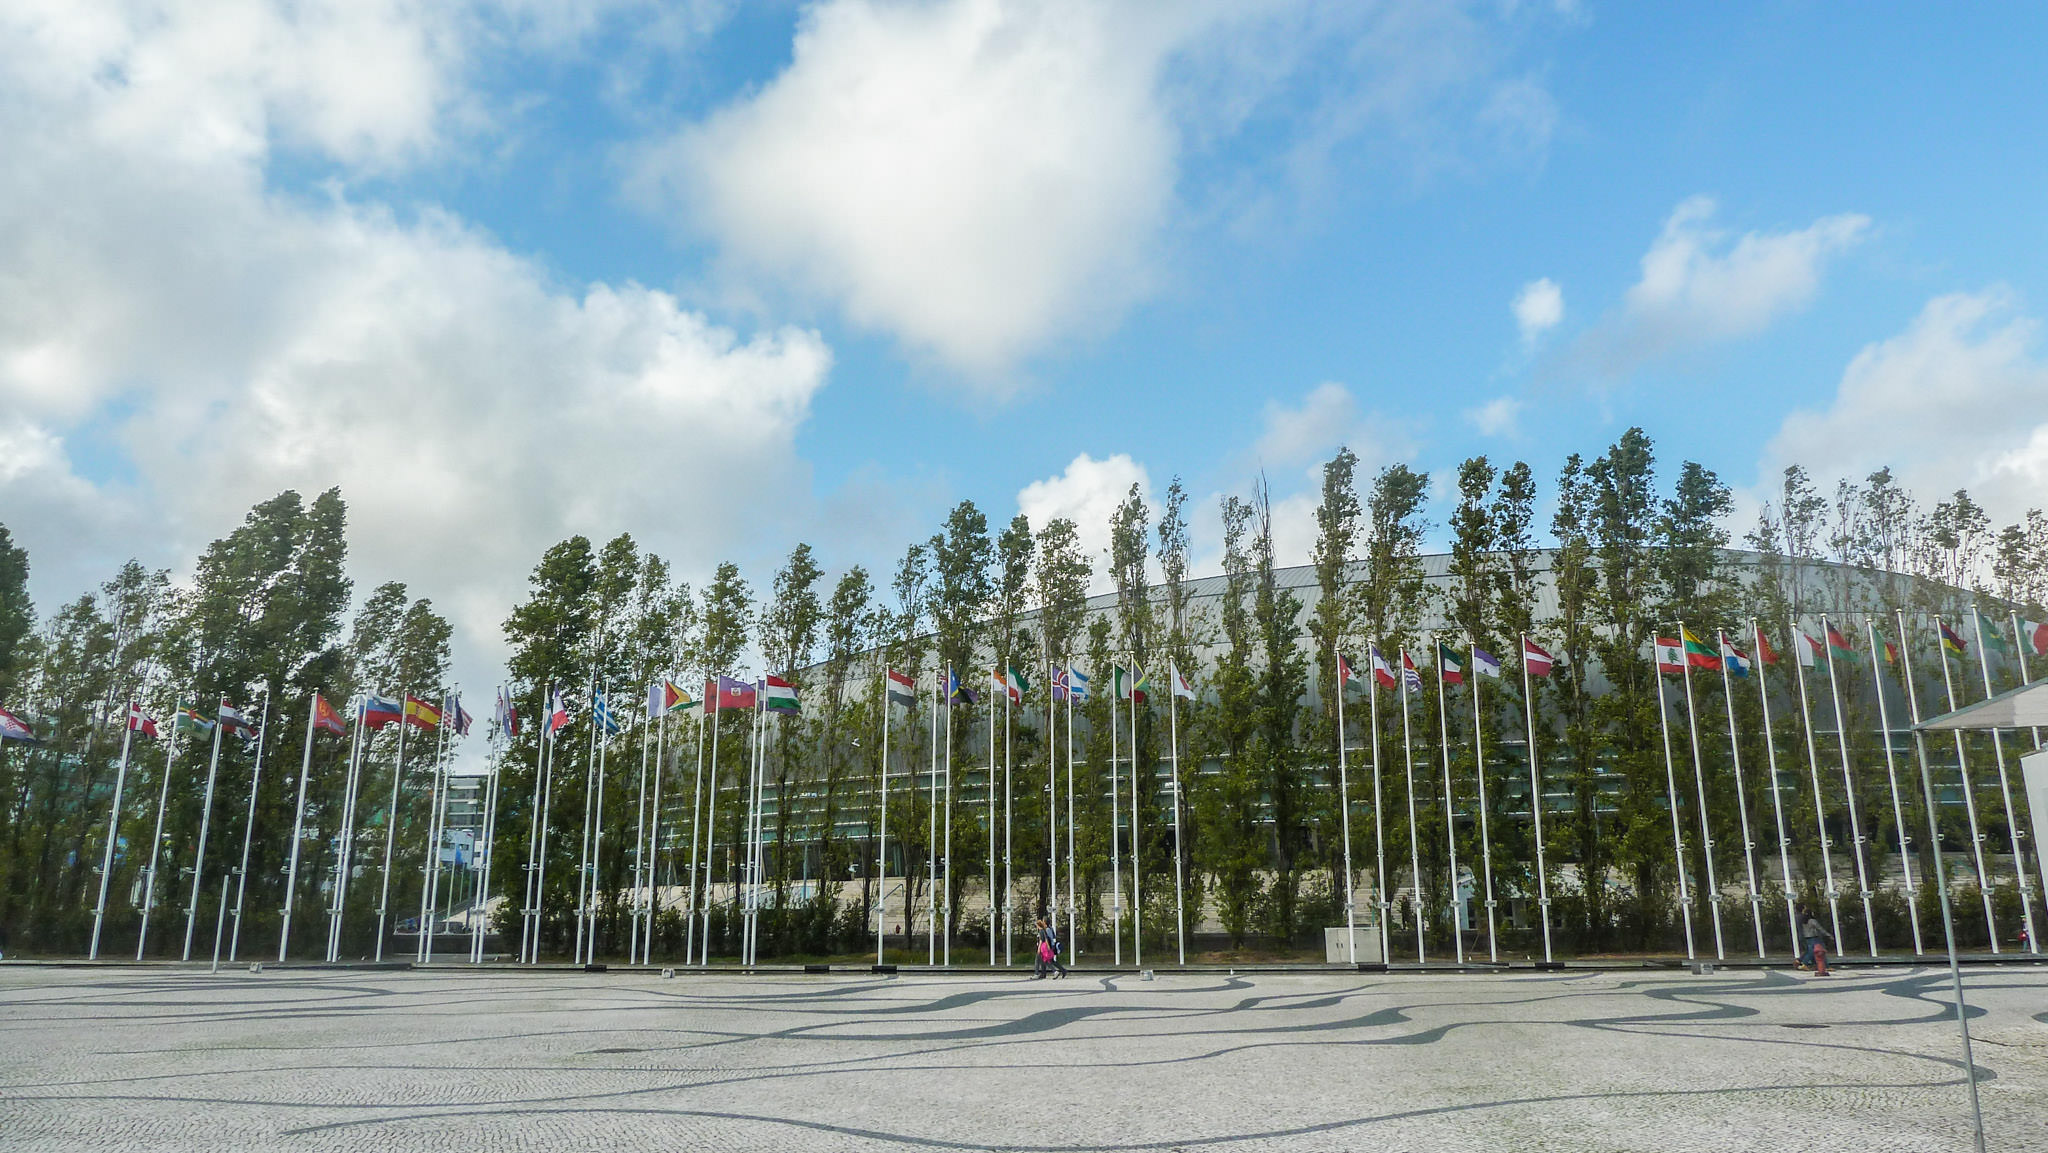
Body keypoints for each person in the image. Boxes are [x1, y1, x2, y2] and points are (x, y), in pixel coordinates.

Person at [1801, 910, 1832, 977]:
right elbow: (1819, 928)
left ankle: (1808, 964)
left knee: (1810, 951)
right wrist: (1828, 935)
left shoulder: (1804, 921)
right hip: (1813, 937)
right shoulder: (1812, 921)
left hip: (1807, 937)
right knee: (1818, 951)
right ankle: (1805, 963)